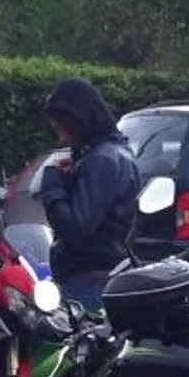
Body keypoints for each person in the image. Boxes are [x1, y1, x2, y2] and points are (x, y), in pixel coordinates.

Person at [36, 77, 141, 313]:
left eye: (61, 124)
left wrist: (53, 183)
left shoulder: (101, 160)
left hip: (89, 281)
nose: (57, 130)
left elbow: (75, 228)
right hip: (102, 274)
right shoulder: (113, 153)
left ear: (78, 120)